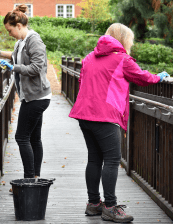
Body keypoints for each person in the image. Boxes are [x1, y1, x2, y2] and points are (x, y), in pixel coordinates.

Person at [69, 23, 169, 223]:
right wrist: (159, 76)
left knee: (95, 159)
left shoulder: (89, 58)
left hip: (84, 114)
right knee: (112, 160)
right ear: (123, 39)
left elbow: (82, 82)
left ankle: (93, 203)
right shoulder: (122, 59)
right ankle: (110, 207)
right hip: (105, 116)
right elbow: (142, 77)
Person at [0, 5, 51, 180]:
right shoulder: (21, 42)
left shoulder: (34, 40)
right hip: (34, 96)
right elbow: (17, 55)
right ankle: (34, 178)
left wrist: (13, 67)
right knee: (34, 138)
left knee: (22, 137)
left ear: (18, 26)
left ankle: (29, 179)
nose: (9, 34)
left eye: (9, 30)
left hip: (36, 97)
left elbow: (37, 67)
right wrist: (0, 53)